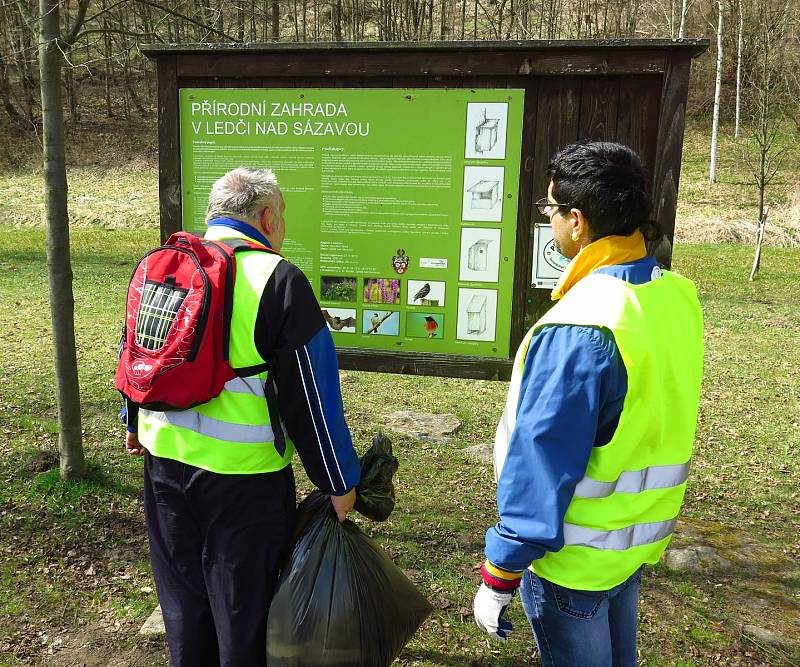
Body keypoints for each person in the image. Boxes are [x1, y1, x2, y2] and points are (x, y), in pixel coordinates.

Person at [473, 142, 704, 666]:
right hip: (633, 548)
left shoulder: (583, 326)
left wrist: (500, 573)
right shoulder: (676, 297)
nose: (548, 219)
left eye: (549, 209)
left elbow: (543, 456)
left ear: (576, 221)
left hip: (572, 563)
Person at [122, 167, 361, 667]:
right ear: (267, 217)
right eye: (283, 219)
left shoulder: (164, 266)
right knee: (243, 614)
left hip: (164, 464)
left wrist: (133, 420)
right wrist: (339, 481)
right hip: (245, 485)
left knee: (183, 606)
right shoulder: (278, 279)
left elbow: (137, 350)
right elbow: (313, 400)